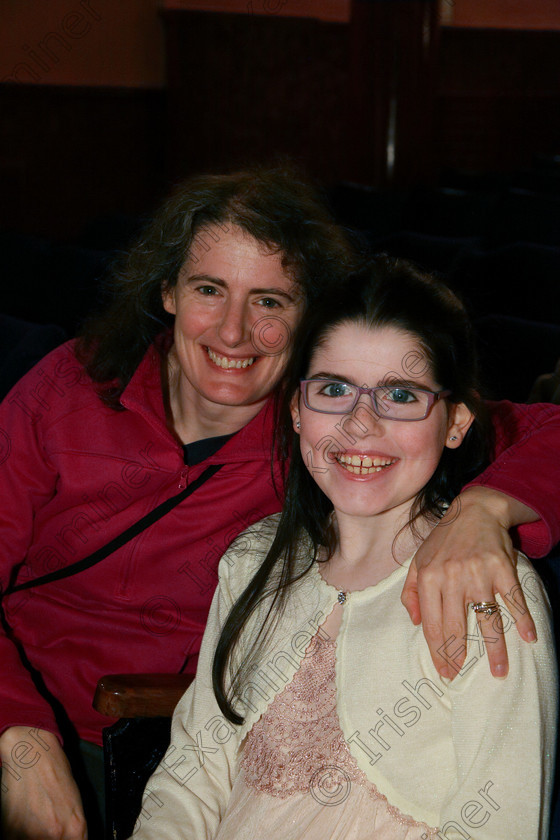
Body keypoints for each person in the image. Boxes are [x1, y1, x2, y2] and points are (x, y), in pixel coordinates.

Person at [0, 165, 558, 840]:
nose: (234, 333)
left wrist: (485, 509)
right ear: (169, 291)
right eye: (210, 290)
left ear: (307, 317)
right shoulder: (69, 386)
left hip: (135, 737)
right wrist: (19, 735)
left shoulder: (335, 438)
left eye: (270, 301)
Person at [133, 256, 557, 839]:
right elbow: (191, 777)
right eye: (334, 390)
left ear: (456, 421)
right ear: (296, 411)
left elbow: (498, 821)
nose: (359, 425)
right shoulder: (254, 558)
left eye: (401, 396)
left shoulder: (482, 583)